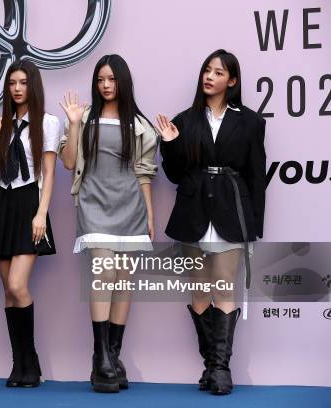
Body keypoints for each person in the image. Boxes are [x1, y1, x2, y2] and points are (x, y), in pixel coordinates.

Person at [156, 49, 266, 395]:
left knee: (223, 286)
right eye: (207, 70)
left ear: (231, 81)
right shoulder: (185, 120)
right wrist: (171, 143)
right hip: (193, 212)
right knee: (199, 289)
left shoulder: (249, 121)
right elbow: (174, 174)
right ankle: (211, 365)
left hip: (232, 212)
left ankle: (220, 368)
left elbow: (256, 176)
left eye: (218, 73)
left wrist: (254, 224)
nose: (210, 76)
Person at [58, 54, 158, 393]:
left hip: (130, 207)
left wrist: (150, 216)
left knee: (124, 279)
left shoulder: (140, 125)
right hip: (94, 204)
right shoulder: (85, 118)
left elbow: (144, 175)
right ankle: (100, 355)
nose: (105, 85)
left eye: (112, 79)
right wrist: (72, 124)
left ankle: (113, 357)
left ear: (123, 82)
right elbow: (69, 162)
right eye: (101, 79)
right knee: (103, 271)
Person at [0, 60, 61, 388]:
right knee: (9, 295)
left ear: (33, 85)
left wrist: (41, 213)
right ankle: (19, 363)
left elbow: (50, 172)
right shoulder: (4, 123)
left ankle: (31, 358)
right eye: (12, 83)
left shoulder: (48, 122)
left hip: (29, 202)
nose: (17, 88)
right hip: (1, 203)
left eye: (23, 82)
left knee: (16, 286)